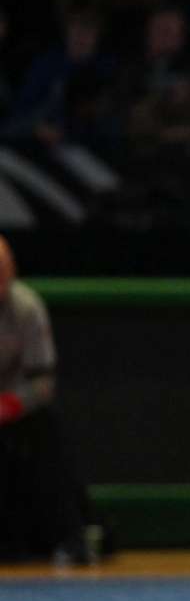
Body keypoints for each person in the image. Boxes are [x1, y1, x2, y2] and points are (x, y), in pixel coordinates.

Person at [0, 235, 94, 562]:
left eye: (3, 273)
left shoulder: (26, 307)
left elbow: (43, 383)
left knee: (48, 430)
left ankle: (72, 539)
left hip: (14, 412)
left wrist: (9, 405)